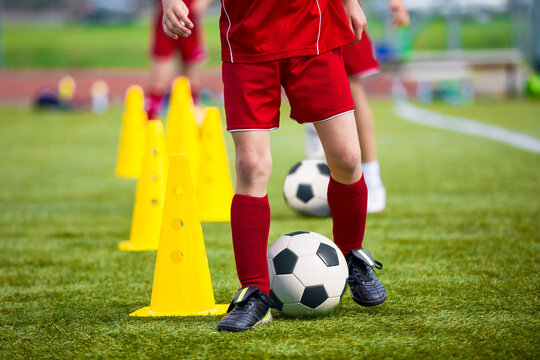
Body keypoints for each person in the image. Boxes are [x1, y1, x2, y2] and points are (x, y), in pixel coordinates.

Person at [162, 0, 386, 332]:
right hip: (248, 39)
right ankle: (254, 291)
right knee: (251, 166)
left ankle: (351, 256)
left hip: (315, 32)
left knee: (348, 158)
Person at [305, 0, 410, 213]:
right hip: (288, 14)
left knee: (351, 84)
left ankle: (371, 179)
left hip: (333, 8)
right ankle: (314, 127)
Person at [146, 0, 211, 120]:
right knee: (160, 78)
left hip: (191, 17)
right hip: (166, 17)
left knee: (190, 75)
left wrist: (202, 4)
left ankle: (193, 118)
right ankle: (150, 121)